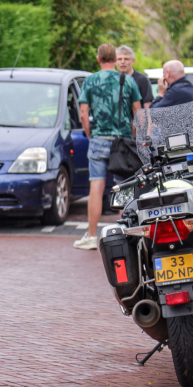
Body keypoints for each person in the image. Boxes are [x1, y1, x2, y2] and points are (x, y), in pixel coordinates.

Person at [73, 43, 141, 251]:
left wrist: (90, 134)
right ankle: (128, 234)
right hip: (122, 142)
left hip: (99, 139)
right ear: (114, 59)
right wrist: (132, 136)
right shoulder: (127, 80)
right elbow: (138, 113)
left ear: (98, 59)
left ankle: (92, 236)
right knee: (124, 188)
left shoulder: (91, 81)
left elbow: (83, 113)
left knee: (96, 187)